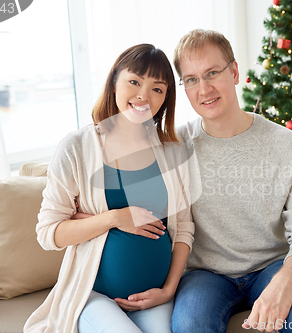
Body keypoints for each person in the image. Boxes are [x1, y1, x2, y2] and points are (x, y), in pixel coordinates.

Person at [171, 29, 292, 333]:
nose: (203, 88)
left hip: (273, 266)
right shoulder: (176, 145)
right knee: (189, 325)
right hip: (206, 274)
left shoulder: (286, 144)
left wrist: (283, 282)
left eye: (212, 73)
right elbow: (129, 187)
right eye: (192, 79)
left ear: (234, 72)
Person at [24, 44, 194, 333]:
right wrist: (115, 218)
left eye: (157, 89)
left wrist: (167, 290)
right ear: (114, 81)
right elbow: (48, 233)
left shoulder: (171, 152)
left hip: (154, 297)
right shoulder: (77, 148)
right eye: (134, 81)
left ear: (166, 98)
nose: (143, 95)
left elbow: (184, 230)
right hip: (94, 294)